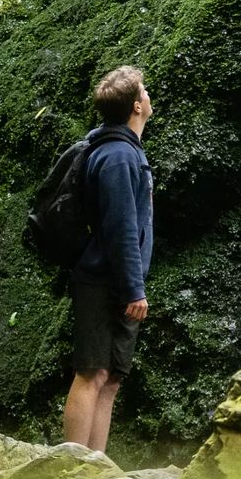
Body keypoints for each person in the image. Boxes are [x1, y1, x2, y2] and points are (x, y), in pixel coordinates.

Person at [63, 65, 155, 454]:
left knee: (111, 377)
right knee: (91, 372)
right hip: (103, 281)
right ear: (137, 105)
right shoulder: (118, 156)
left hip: (115, 281)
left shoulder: (123, 150)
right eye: (145, 91)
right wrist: (134, 289)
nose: (150, 96)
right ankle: (71, 464)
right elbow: (121, 229)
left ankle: (94, 466)